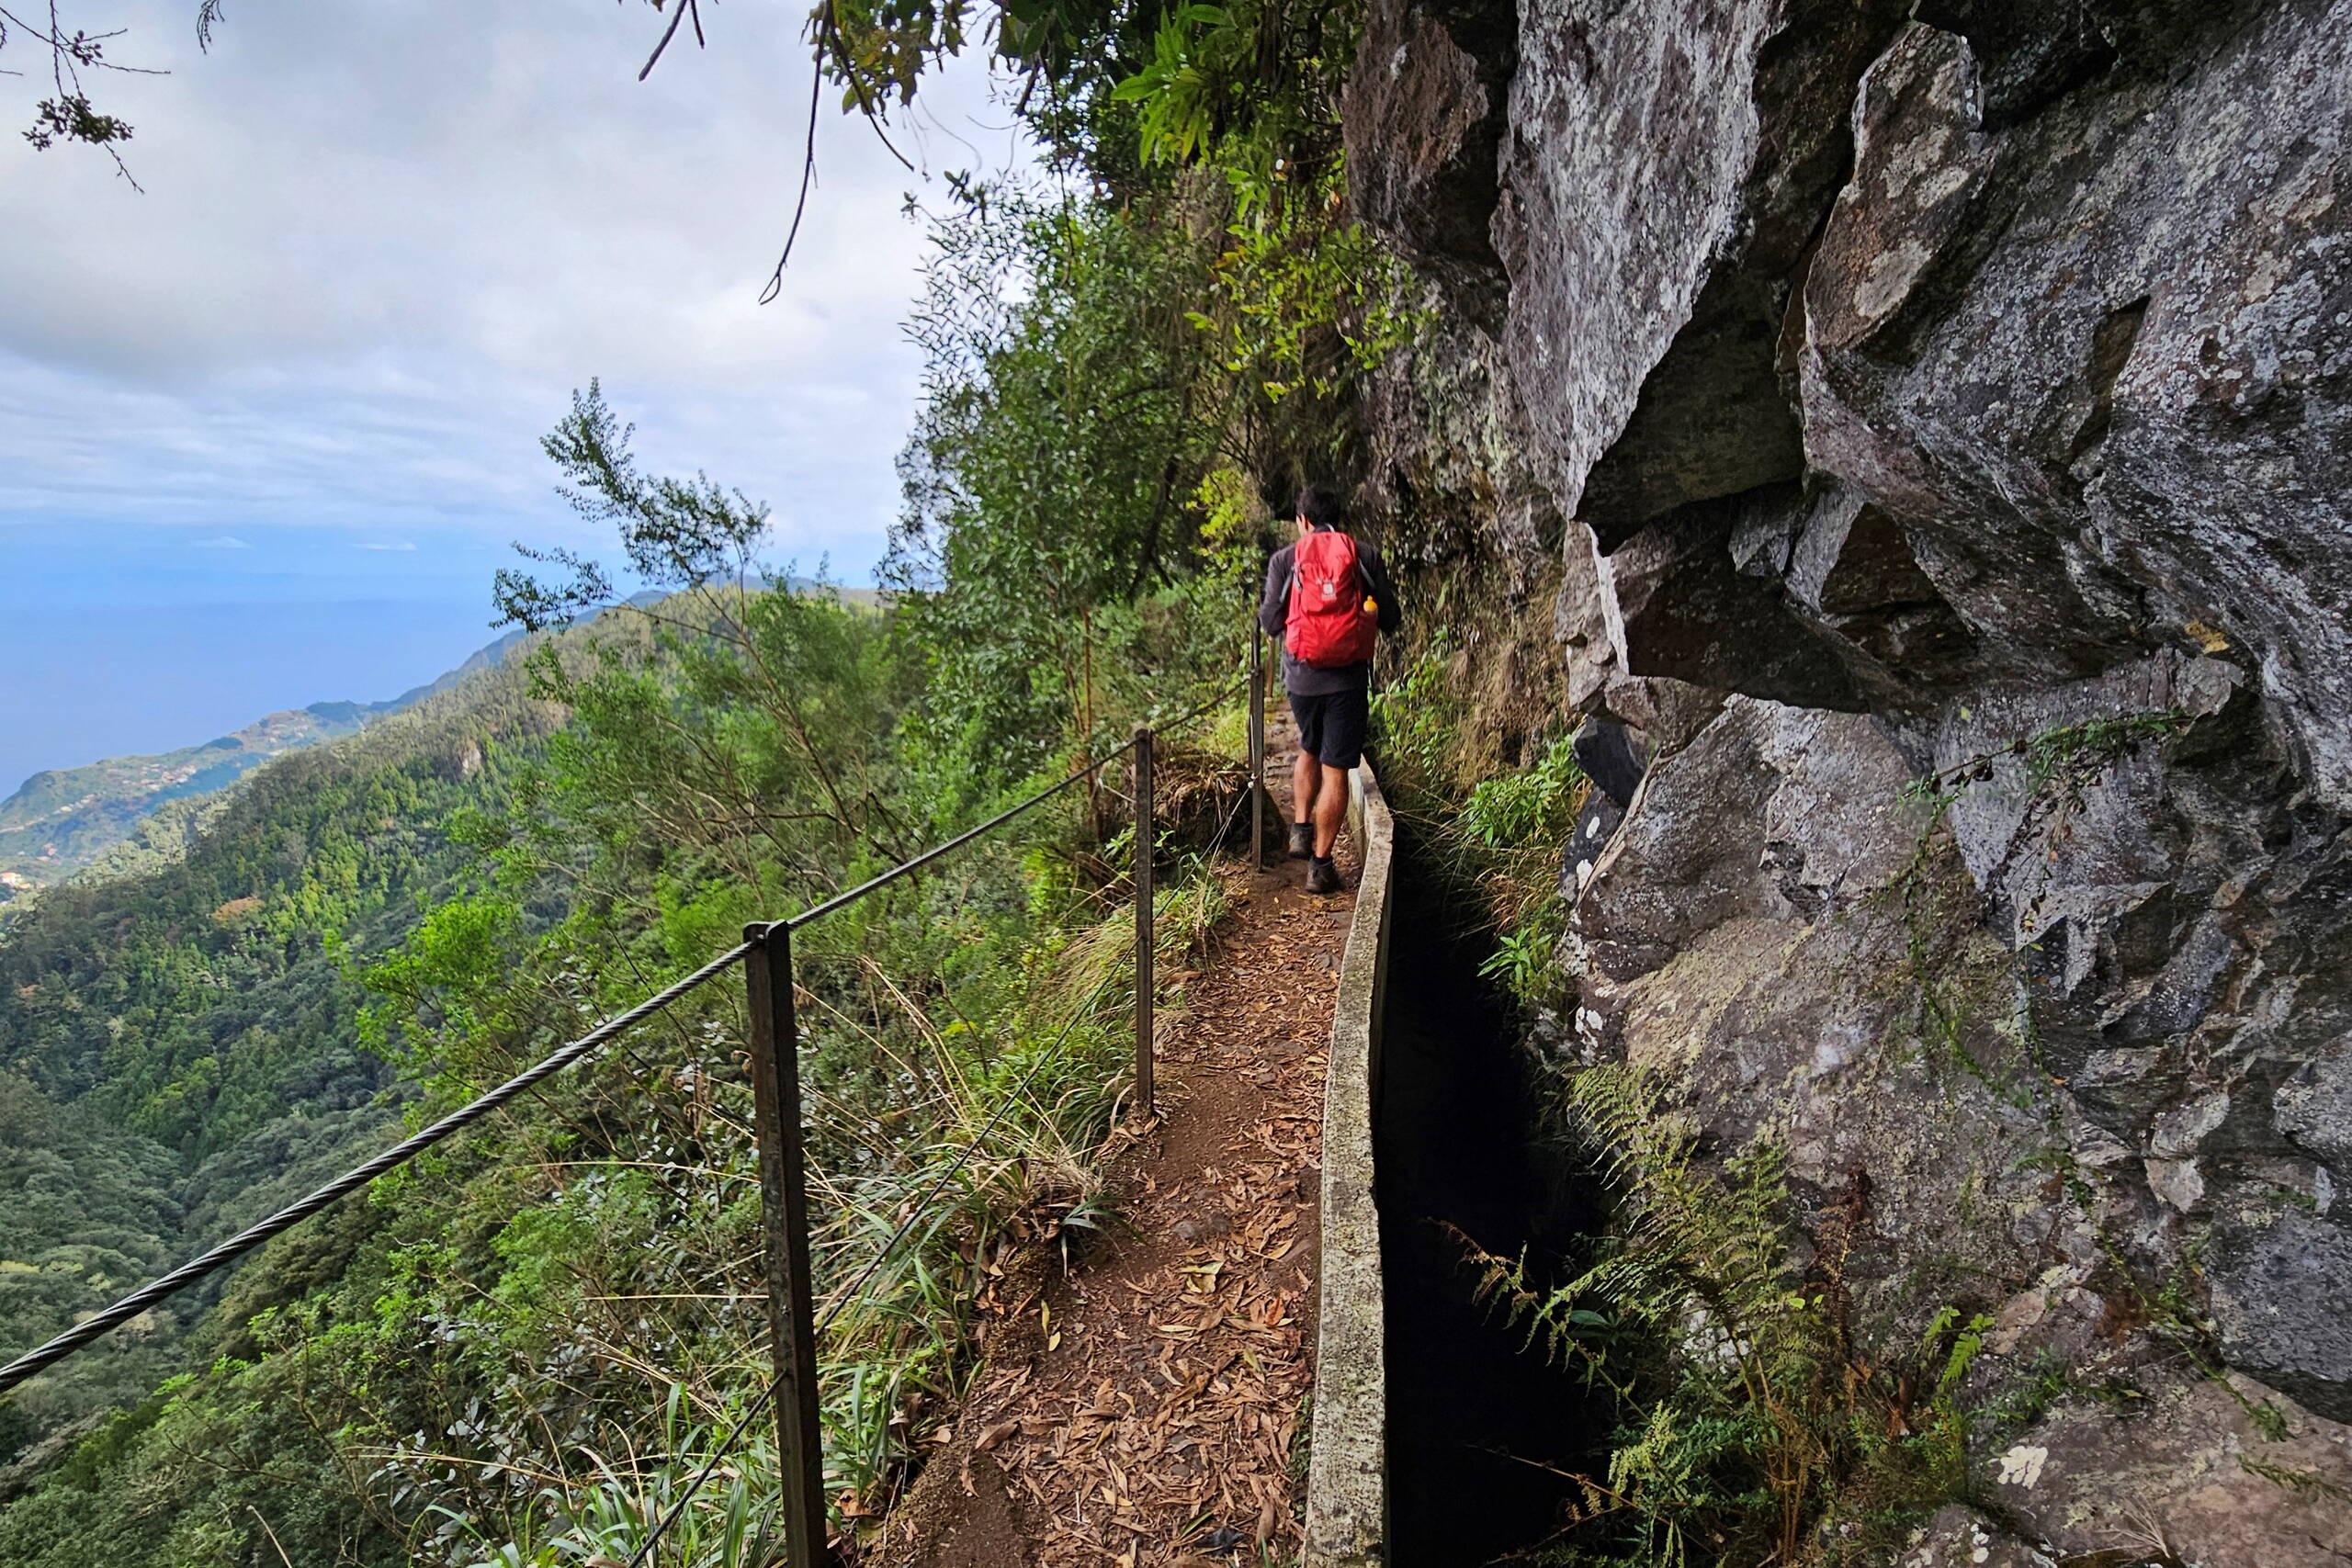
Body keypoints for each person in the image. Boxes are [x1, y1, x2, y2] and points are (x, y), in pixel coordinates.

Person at [1257, 485, 1401, 894]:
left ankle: (1300, 829)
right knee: (1336, 768)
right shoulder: (1363, 555)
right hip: (1348, 680)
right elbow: (1390, 616)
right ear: (1340, 517)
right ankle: (1320, 866)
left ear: (1302, 521)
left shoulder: (1285, 559)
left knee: (1308, 747)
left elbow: (1269, 622)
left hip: (1301, 678)